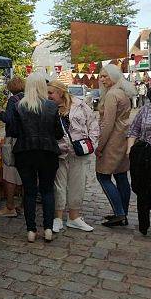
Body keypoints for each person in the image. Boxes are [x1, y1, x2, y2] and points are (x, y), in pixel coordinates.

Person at [12, 73, 64, 243]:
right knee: (47, 190)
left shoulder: (19, 106)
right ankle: (48, 228)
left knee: (29, 192)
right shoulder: (51, 106)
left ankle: (31, 230)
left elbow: (13, 131)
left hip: (25, 152)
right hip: (48, 152)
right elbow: (58, 133)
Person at [47, 80, 99, 232]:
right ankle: (57, 218)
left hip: (79, 151)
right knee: (58, 185)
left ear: (61, 92)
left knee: (78, 184)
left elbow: (93, 125)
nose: (48, 96)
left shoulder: (80, 105)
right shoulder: (49, 108)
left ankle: (74, 217)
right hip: (59, 152)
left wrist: (91, 142)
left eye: (51, 93)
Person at [95, 64, 136, 227]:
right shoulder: (123, 92)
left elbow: (107, 124)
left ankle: (119, 213)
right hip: (122, 138)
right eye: (101, 76)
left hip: (112, 140)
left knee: (103, 176)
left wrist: (100, 146)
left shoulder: (112, 95)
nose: (102, 79)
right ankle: (122, 213)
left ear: (114, 76)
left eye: (106, 76)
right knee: (121, 176)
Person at [127, 73, 151, 235]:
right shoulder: (146, 109)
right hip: (146, 159)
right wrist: (130, 150)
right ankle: (144, 222)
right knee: (144, 190)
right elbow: (133, 130)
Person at [0, 76, 25, 217]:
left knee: (10, 173)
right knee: (24, 173)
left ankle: (10, 207)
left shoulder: (13, 100)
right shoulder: (27, 98)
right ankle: (23, 205)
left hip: (13, 139)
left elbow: (9, 120)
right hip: (25, 140)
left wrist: (0, 113)